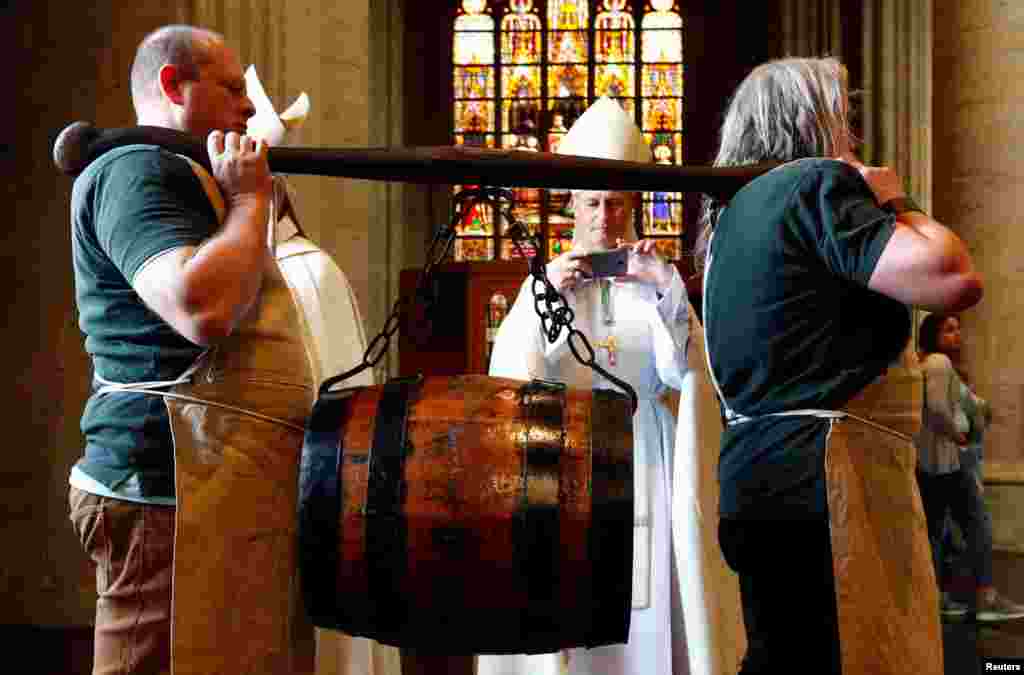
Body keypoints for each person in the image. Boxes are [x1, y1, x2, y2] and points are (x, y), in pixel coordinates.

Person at [66, 25, 379, 675]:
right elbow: (200, 306)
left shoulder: (182, 171)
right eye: (233, 88)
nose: (247, 106)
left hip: (208, 481)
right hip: (159, 486)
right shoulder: (132, 171)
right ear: (174, 86)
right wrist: (251, 199)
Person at [699, 57, 983, 675]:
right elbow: (953, 277)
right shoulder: (813, 184)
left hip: (756, 479)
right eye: (843, 117)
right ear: (811, 123)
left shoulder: (729, 220)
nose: (853, 136)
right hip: (826, 479)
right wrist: (894, 196)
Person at [479, 96, 692, 675]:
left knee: (642, 602)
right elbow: (517, 378)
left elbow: (682, 371)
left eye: (618, 203)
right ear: (572, 204)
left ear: (634, 205)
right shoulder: (544, 283)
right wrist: (550, 297)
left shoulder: (651, 283)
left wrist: (666, 288)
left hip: (643, 453)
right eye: (594, 202)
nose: (606, 217)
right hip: (564, 456)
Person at [914, 313, 1024, 622]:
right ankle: (985, 597)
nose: (957, 335)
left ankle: (937, 598)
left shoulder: (936, 365)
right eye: (949, 329)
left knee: (935, 531)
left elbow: (958, 404)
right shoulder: (938, 363)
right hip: (947, 462)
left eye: (958, 328)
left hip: (935, 464)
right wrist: (957, 434)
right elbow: (937, 409)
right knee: (978, 524)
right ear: (932, 334)